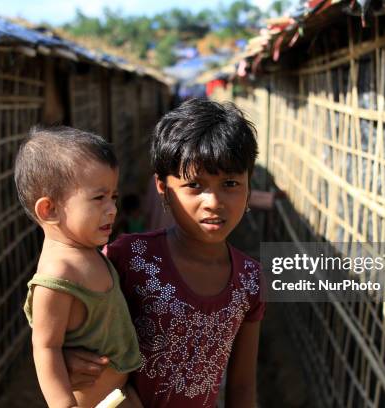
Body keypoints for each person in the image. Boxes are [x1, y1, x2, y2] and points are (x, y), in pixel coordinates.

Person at [65, 99, 265, 407]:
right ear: (162, 187)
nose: (213, 201)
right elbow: (64, 321)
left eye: (230, 183)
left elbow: (241, 387)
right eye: (195, 185)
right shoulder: (130, 258)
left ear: (249, 186)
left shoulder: (250, 279)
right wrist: (66, 356)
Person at [14, 126, 143, 408]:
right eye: (99, 198)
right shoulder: (57, 276)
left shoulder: (88, 252)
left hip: (121, 394)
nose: (112, 209)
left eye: (114, 197)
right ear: (50, 210)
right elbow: (46, 347)